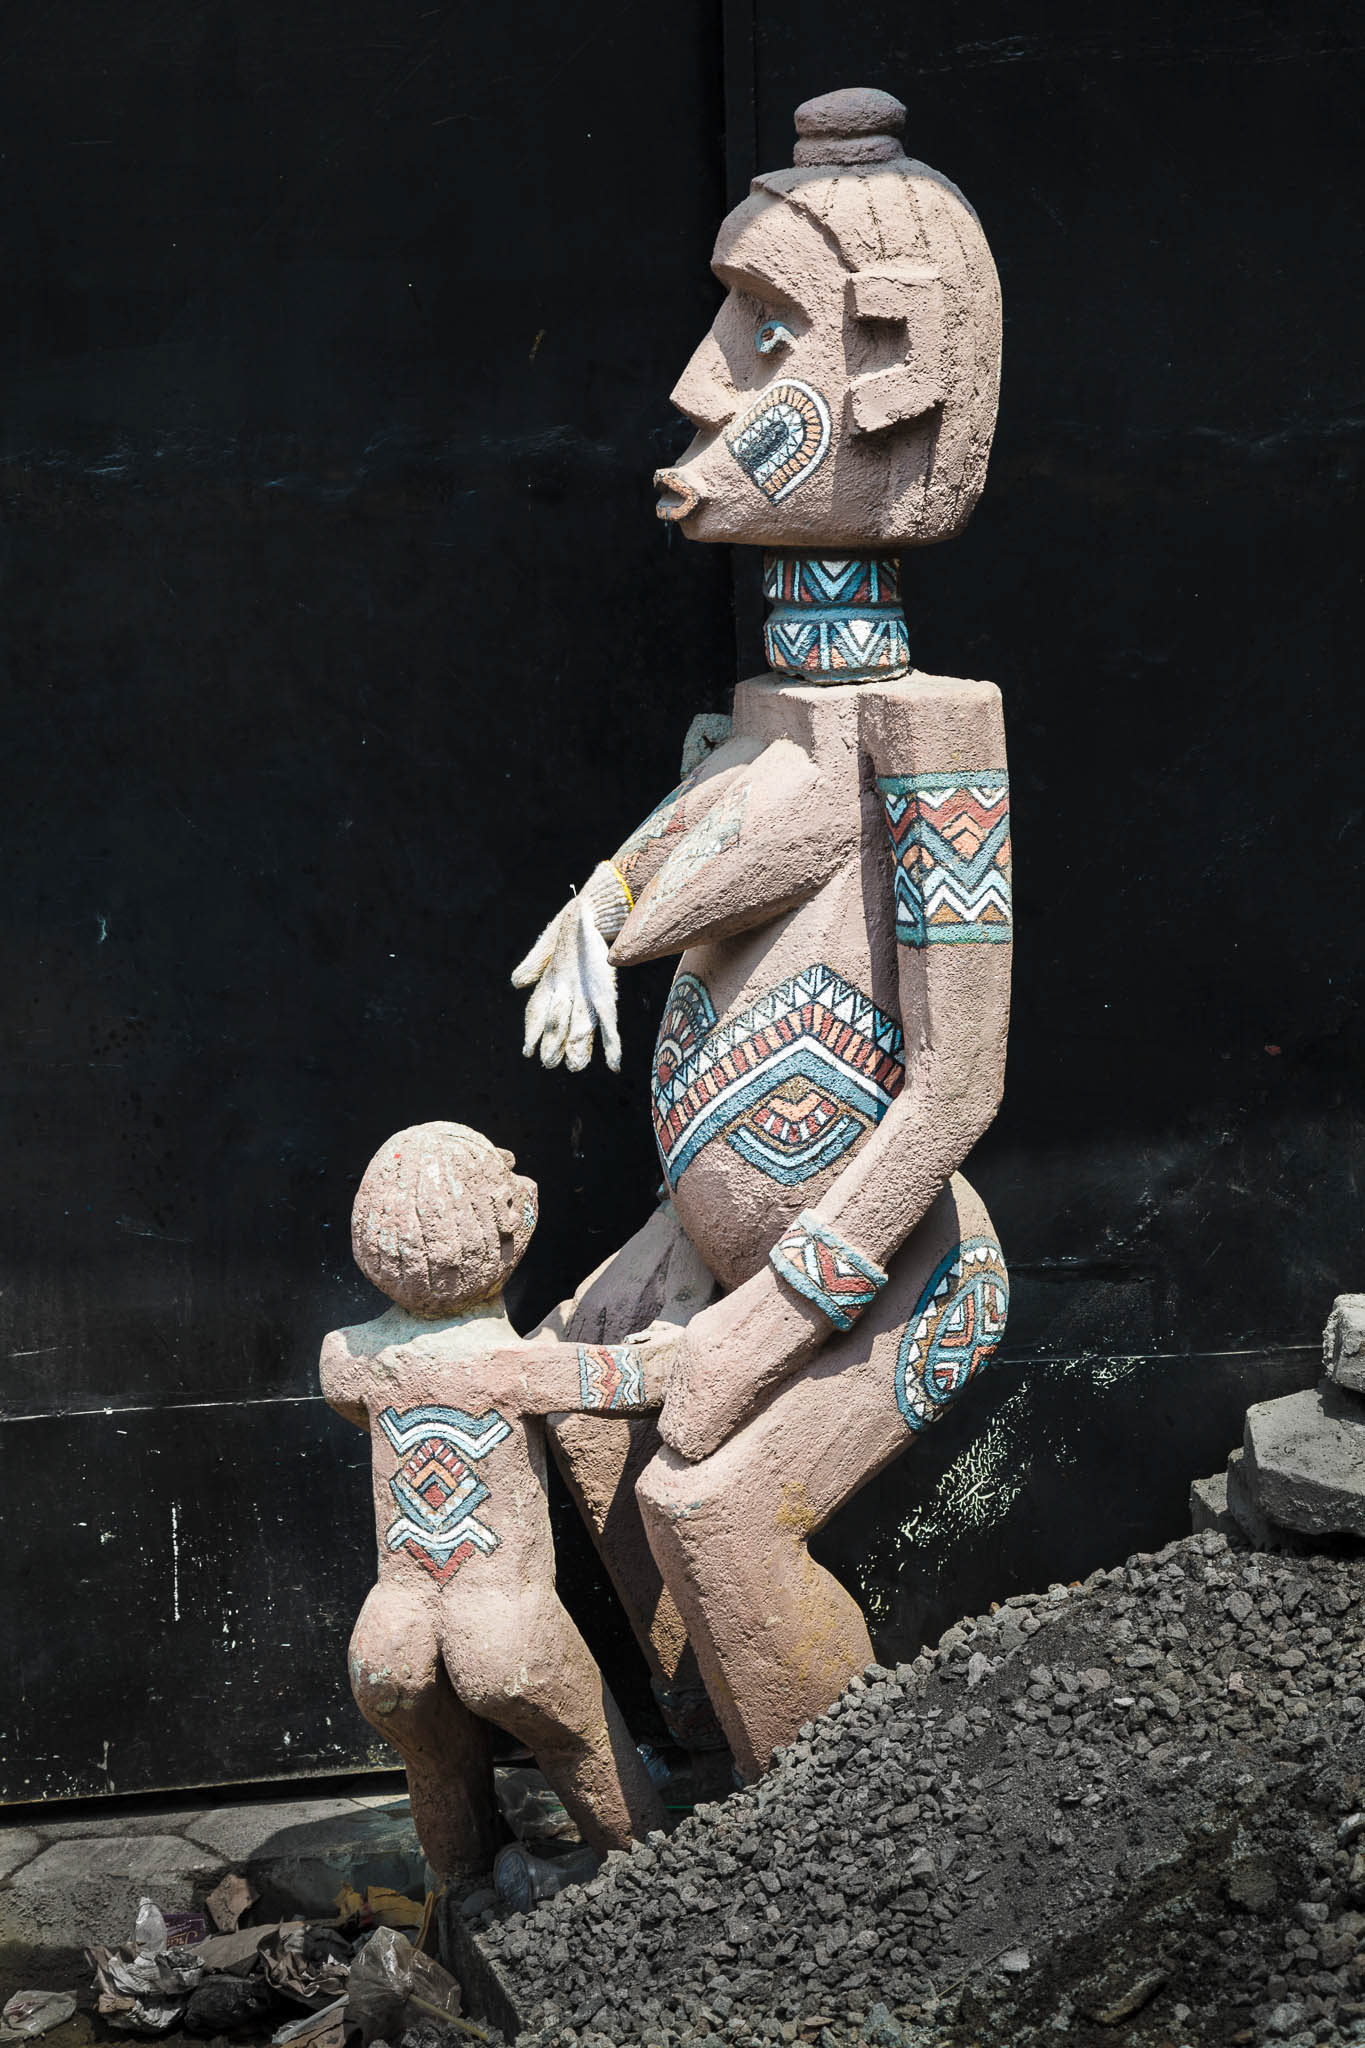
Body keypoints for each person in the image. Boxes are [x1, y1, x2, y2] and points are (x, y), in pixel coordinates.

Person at [513, 87, 1012, 1780]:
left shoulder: (928, 735)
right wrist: (611, 911)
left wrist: (767, 1311)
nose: (696, 381)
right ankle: (720, 1800)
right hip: (725, 1237)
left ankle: (841, 1852)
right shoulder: (769, 714)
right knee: (594, 1406)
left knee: (716, 1507)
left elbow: (954, 1084)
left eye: (765, 331)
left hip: (900, 1270)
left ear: (899, 371)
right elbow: (751, 863)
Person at [320, 1120, 667, 1872]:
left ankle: (463, 1893)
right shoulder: (520, 1367)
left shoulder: (345, 1358)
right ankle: (648, 1884)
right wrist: (673, 1335)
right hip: (505, 1625)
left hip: (390, 1629)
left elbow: (351, 1398)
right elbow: (641, 1383)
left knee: (438, 1771)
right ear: (505, 1230)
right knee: (582, 1752)